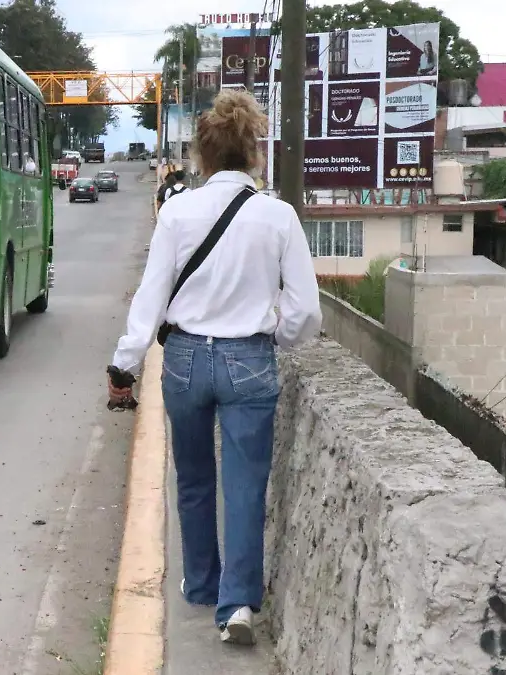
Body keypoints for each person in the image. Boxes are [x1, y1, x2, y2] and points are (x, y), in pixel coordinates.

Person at [106, 88, 322, 646]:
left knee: (195, 477)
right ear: (254, 152)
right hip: (248, 359)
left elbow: (151, 298)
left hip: (183, 360)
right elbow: (305, 312)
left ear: (201, 155)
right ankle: (238, 604)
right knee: (245, 484)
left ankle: (201, 583)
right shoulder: (278, 216)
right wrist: (276, 336)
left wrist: (124, 364)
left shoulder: (177, 212)